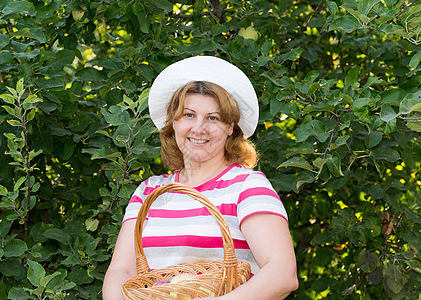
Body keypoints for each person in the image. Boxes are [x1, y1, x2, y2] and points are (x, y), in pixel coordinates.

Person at [102, 56, 298, 299]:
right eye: (189, 115)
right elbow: (121, 271)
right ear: (173, 122)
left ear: (230, 127)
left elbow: (282, 273)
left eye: (213, 118)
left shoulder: (247, 186)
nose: (199, 128)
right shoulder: (149, 190)